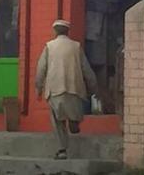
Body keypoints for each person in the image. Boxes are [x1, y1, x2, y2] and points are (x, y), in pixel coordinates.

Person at [34, 18, 97, 160]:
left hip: (54, 89)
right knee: (73, 111)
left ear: (54, 31)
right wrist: (93, 87)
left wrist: (38, 87)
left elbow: (41, 69)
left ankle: (62, 149)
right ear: (68, 31)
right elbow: (86, 69)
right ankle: (74, 121)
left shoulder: (49, 46)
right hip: (74, 88)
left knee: (57, 120)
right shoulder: (76, 46)